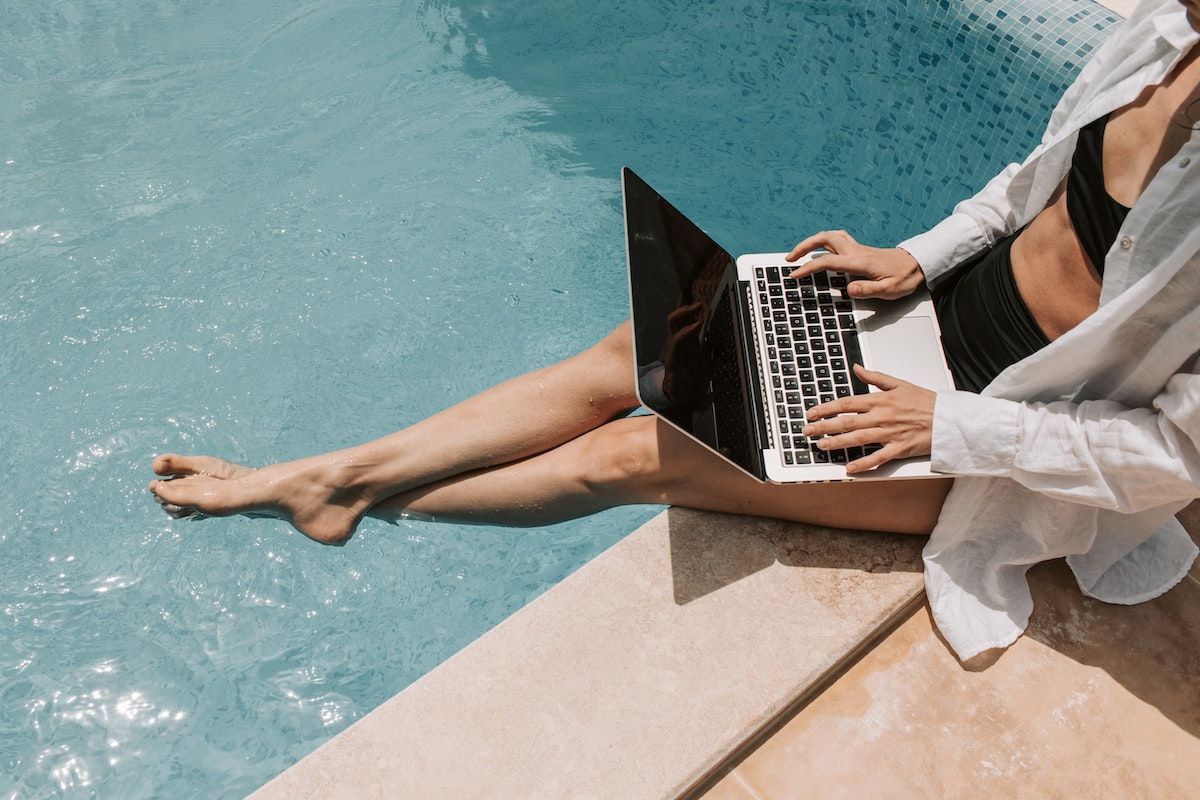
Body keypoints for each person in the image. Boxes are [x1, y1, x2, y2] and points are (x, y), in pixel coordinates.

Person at [150, 0, 1200, 660]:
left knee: (640, 449)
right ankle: (329, 479)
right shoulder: (1163, 34)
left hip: (993, 444)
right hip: (926, 320)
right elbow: (1034, 180)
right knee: (638, 346)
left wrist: (947, 428)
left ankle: (335, 493)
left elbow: (1178, 452)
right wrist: (919, 256)